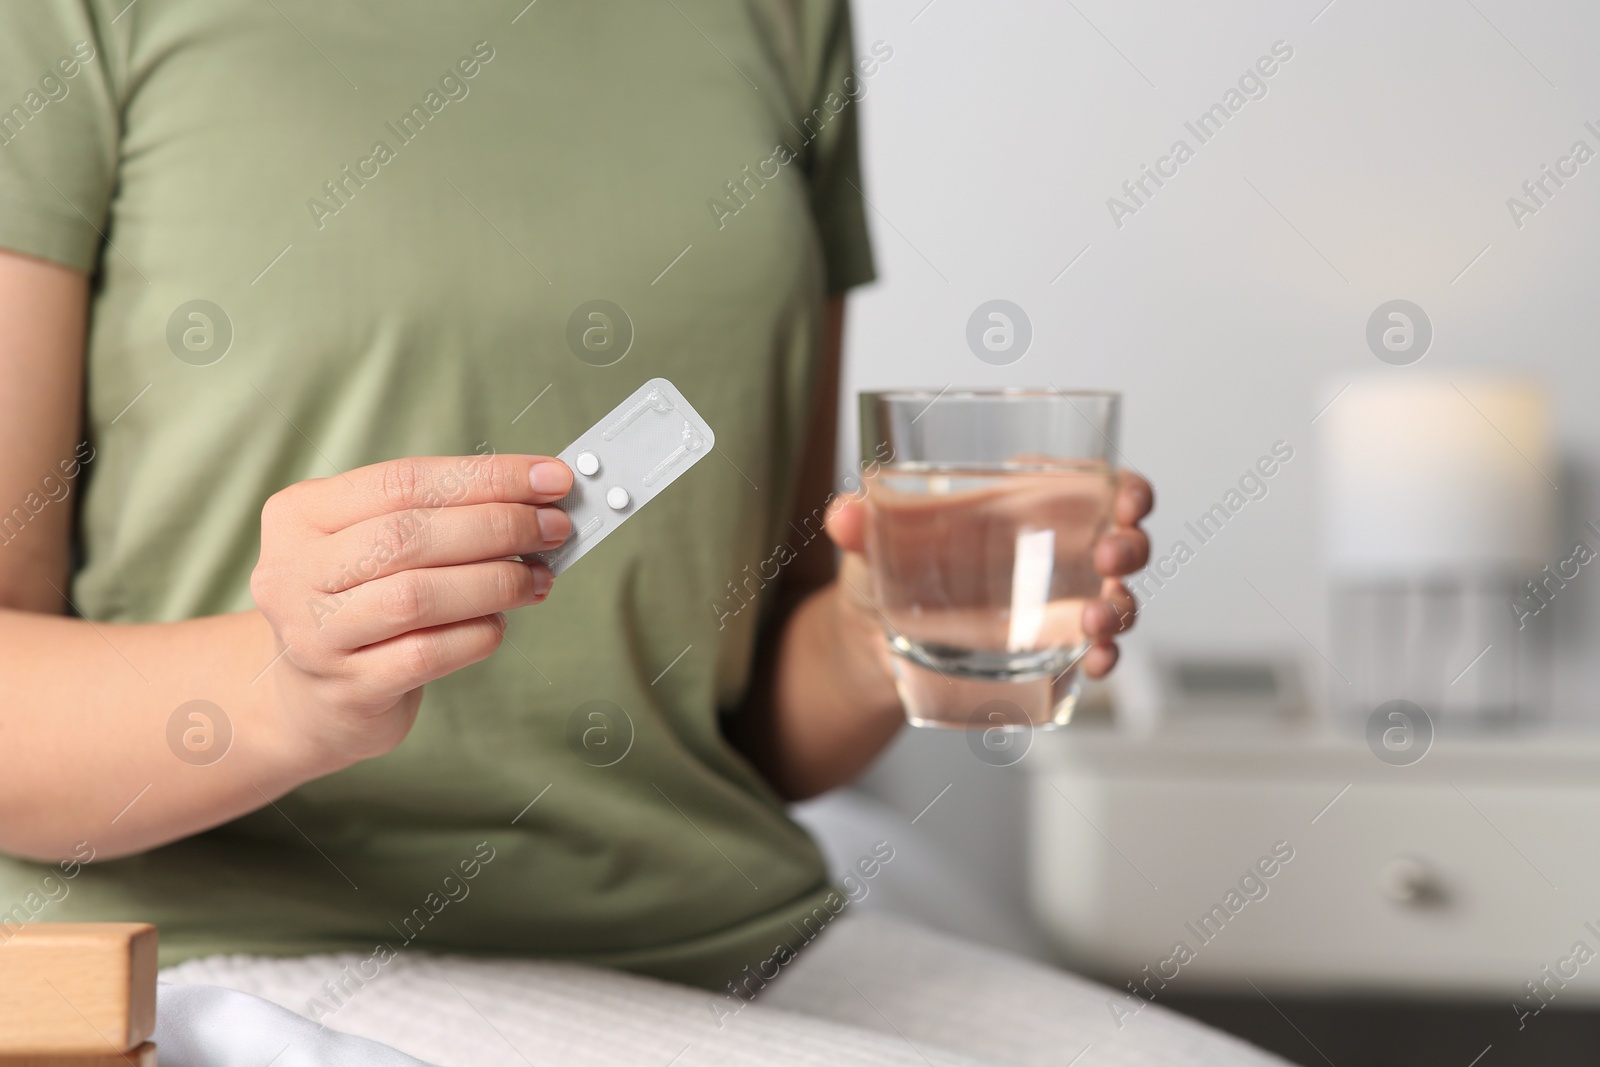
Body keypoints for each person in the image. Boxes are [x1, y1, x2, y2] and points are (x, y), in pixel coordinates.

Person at [0, 4, 1294, 1066]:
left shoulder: (782, 20)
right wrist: (285, 689)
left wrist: (863, 635)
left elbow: (741, 725)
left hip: (742, 930)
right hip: (244, 938)